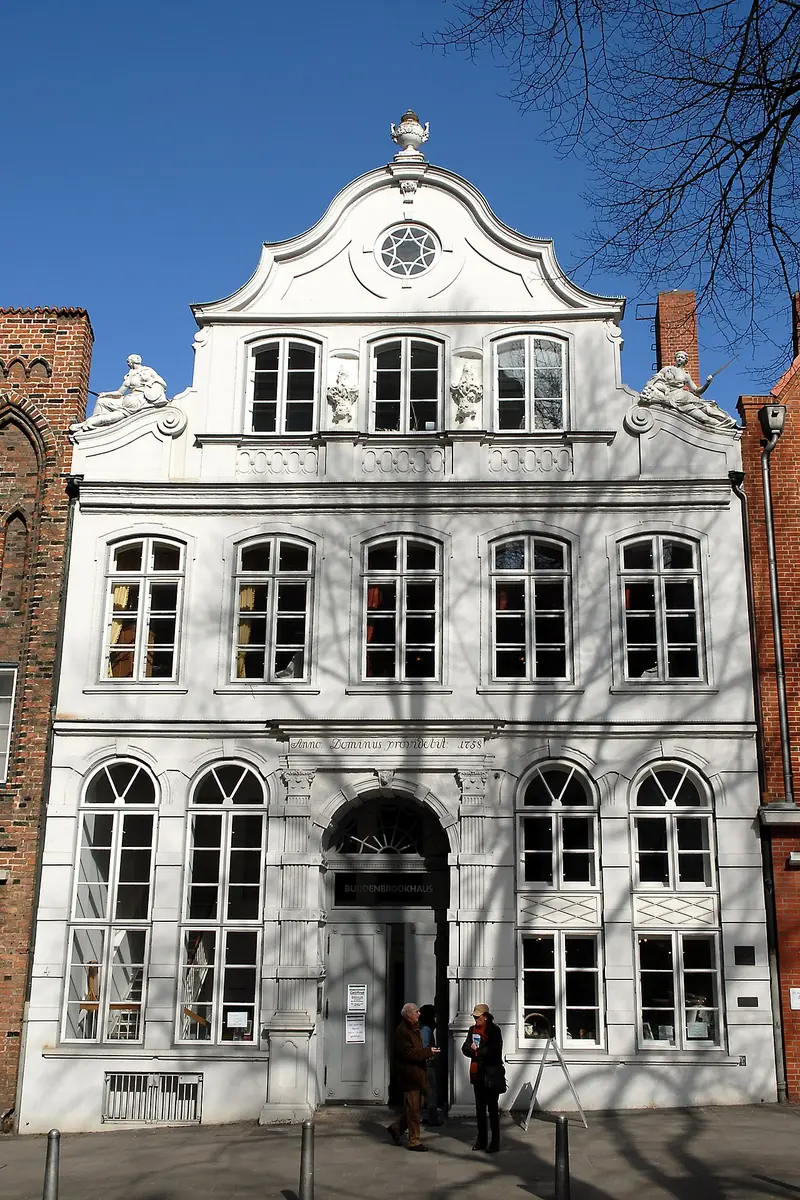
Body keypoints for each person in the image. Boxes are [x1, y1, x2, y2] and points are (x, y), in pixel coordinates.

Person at [387, 1001, 439, 1152]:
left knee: (416, 1107)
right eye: (416, 1012)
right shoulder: (402, 1031)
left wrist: (427, 1052)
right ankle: (414, 1141)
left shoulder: (415, 1028)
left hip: (418, 1073)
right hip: (410, 1075)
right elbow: (409, 1053)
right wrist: (428, 1052)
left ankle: (396, 1129)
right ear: (409, 1014)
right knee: (414, 1110)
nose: (419, 1014)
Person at [639, 351, 738, 430]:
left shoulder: (686, 375)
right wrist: (656, 389)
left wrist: (707, 383)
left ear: (685, 361)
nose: (679, 359)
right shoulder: (667, 369)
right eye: (678, 357)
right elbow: (654, 380)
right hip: (671, 396)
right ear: (675, 359)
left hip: (682, 396)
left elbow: (697, 391)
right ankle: (721, 425)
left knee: (705, 408)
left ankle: (724, 423)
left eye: (682, 357)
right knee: (702, 417)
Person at [71, 354, 169, 433]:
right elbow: (119, 392)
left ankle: (90, 423)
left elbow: (161, 383)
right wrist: (105, 394)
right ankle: (95, 428)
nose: (128, 364)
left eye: (128, 362)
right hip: (128, 399)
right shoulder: (129, 376)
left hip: (138, 401)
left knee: (119, 414)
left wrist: (150, 385)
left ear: (131, 362)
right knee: (101, 401)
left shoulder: (148, 371)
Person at [462, 1002, 504, 1153]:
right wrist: (474, 1051)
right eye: (474, 1017)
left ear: (485, 1017)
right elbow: (465, 1048)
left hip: (491, 1074)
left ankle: (495, 1142)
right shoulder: (472, 1030)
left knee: (492, 1109)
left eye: (477, 1017)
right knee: (480, 1110)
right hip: (477, 1074)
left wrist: (477, 1052)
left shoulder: (494, 1031)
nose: (475, 1020)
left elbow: (494, 1051)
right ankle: (481, 1140)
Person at [418, 1004, 443, 1126]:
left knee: (423, 1092)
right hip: (427, 1063)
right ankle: (433, 1118)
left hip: (423, 1063)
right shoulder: (426, 1030)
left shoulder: (422, 1028)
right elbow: (425, 1046)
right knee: (431, 1091)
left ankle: (421, 1116)